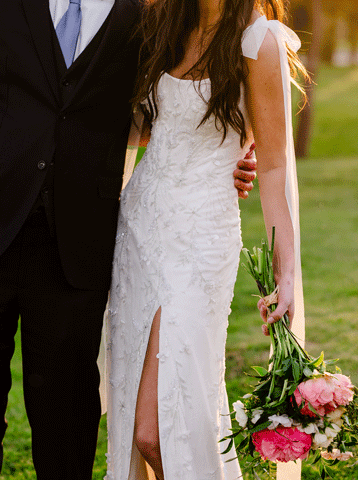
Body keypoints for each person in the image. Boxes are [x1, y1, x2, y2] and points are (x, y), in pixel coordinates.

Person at [0, 1, 255, 478]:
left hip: (78, 246)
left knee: (66, 419)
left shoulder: (151, 16)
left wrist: (240, 147)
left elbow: (175, 103)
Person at [105, 0, 308, 479]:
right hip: (139, 230)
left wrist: (287, 270)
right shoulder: (160, 21)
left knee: (157, 428)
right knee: (140, 422)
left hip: (200, 239)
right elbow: (142, 129)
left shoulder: (259, 41)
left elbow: (277, 163)